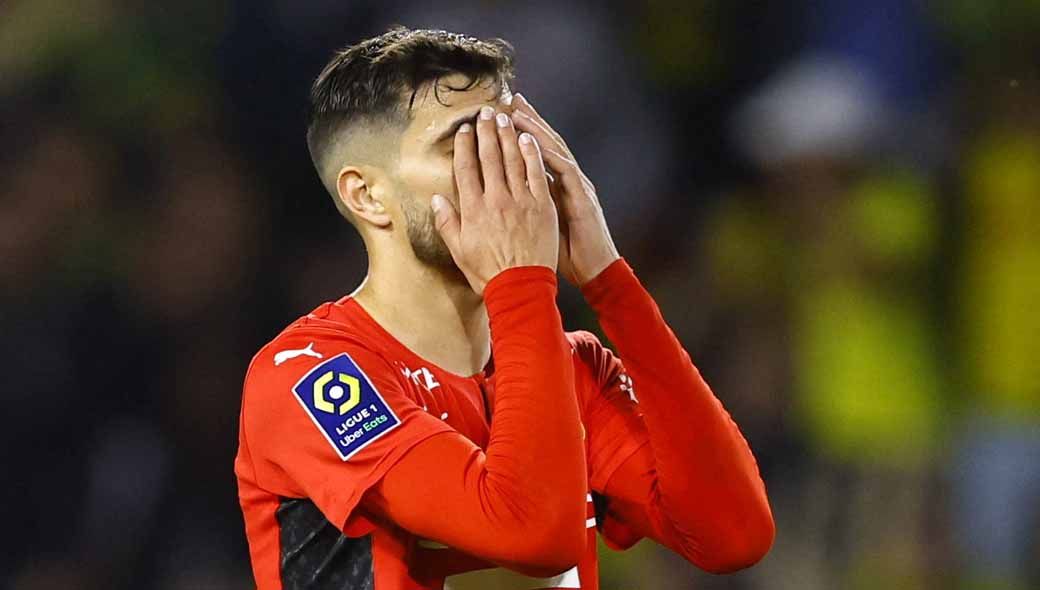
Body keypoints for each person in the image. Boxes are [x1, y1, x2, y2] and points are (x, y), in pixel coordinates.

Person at [234, 26, 774, 590]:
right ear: (366, 195)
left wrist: (610, 283)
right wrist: (520, 283)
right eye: (462, 144)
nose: (508, 167)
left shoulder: (571, 369)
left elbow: (731, 534)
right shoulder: (311, 375)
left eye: (511, 135)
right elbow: (533, 534)